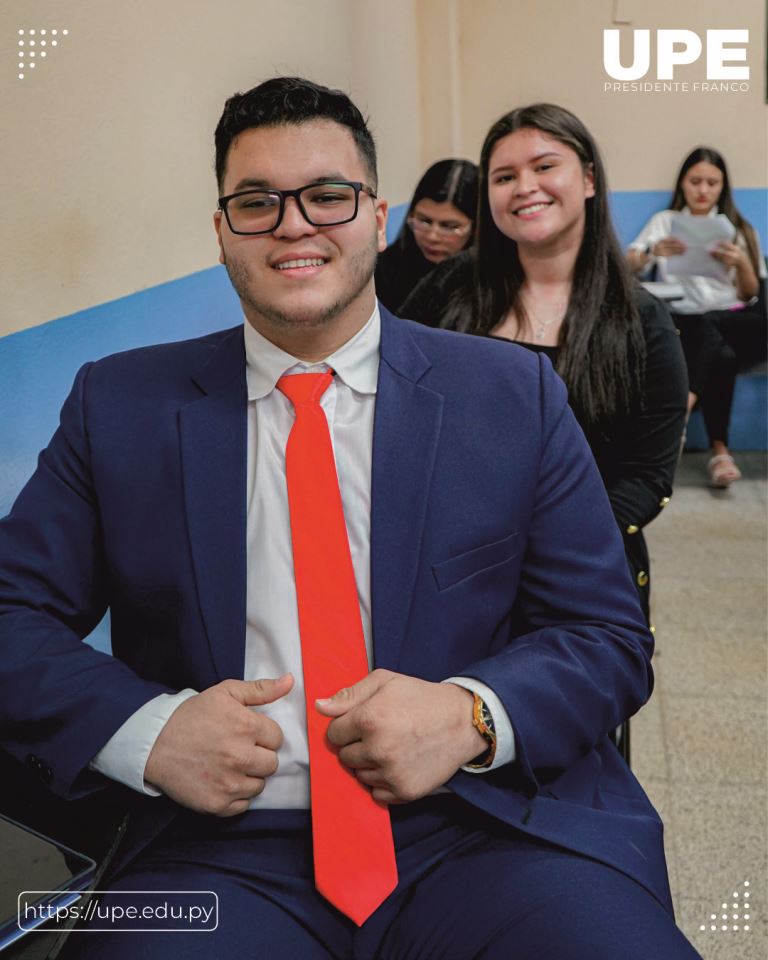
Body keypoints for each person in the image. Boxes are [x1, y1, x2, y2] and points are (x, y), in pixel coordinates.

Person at [0, 78, 699, 959]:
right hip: (218, 851)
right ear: (221, 231)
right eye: (257, 202)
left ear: (376, 215)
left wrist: (471, 716)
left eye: (328, 195)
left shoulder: (510, 396)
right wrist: (149, 730)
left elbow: (606, 635)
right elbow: (11, 613)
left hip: (491, 826)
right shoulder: (120, 406)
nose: (294, 225)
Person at [401, 103, 688, 625]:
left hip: (580, 575)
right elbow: (394, 402)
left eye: (544, 166)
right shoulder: (448, 290)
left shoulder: (641, 320)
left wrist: (546, 548)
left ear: (589, 180)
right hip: (448, 571)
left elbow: (647, 477)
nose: (524, 187)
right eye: (504, 176)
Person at [627, 147, 767, 488]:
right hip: (681, 318)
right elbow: (627, 265)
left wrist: (741, 262)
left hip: (728, 317)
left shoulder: (737, 228)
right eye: (695, 181)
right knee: (722, 355)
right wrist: (652, 253)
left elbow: (751, 294)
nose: (703, 190)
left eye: (712, 183)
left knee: (712, 326)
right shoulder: (665, 221)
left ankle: (682, 408)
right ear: (683, 183)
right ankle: (720, 452)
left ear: (723, 187)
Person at [374, 158, 477, 313]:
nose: (432, 237)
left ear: (476, 228)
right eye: (424, 221)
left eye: (449, 227)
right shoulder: (381, 270)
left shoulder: (491, 283)